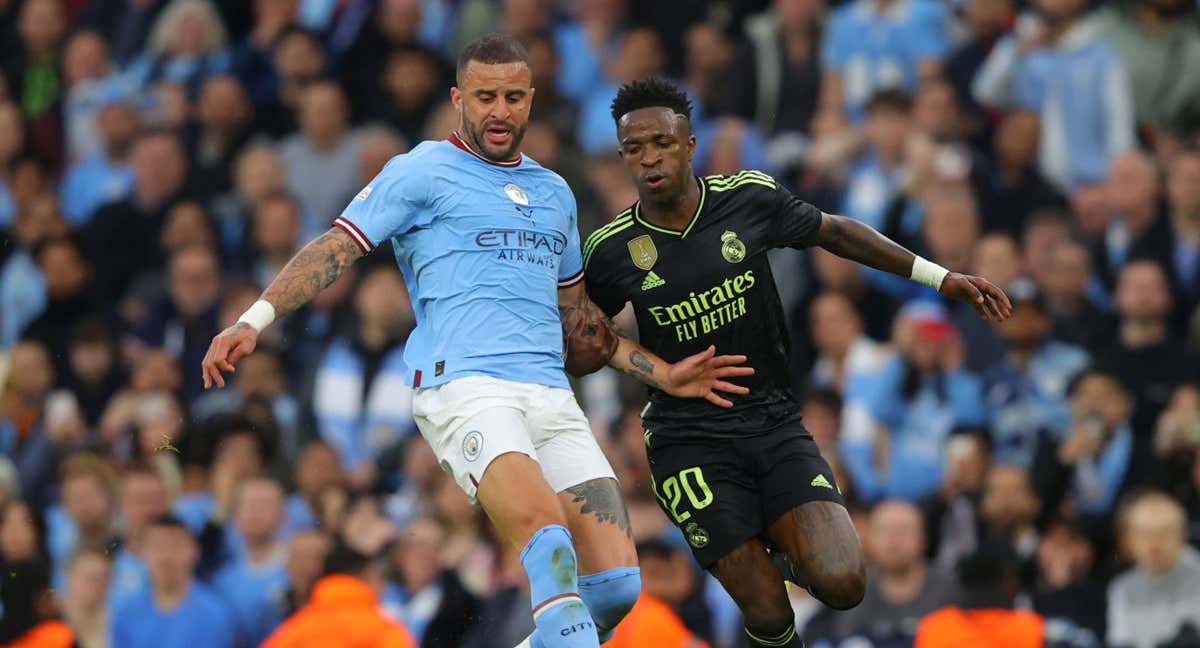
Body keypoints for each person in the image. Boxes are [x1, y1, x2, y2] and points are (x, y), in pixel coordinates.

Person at [202, 34, 750, 648]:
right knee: (550, 547)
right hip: (466, 388)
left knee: (616, 590)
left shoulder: (554, 193)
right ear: (459, 98)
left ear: (531, 101)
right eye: (485, 96)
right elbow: (336, 246)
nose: (499, 110)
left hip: (549, 393)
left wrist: (662, 373)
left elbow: (579, 321)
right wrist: (252, 320)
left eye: (513, 97)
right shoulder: (421, 171)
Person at [577, 77, 1011, 648]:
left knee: (845, 581)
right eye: (635, 148)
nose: (649, 157)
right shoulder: (611, 249)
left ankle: (772, 540)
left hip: (774, 421)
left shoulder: (748, 198)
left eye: (661, 141)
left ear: (689, 144)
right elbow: (584, 343)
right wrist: (660, 374)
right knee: (766, 607)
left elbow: (836, 232)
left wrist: (940, 276)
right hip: (688, 439)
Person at [109, 514, 236, 648]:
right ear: (142, 553)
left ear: (195, 552)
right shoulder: (126, 612)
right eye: (158, 547)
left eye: (175, 546)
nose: (166, 556)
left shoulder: (215, 614)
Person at [262, 543, 417, 648]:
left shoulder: (294, 629)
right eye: (378, 578)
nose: (383, 586)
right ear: (364, 577)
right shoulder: (384, 629)